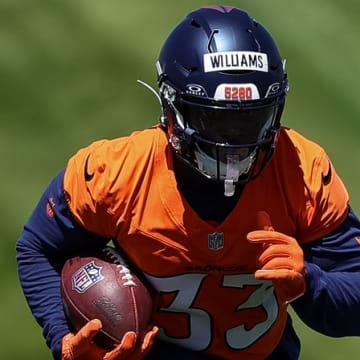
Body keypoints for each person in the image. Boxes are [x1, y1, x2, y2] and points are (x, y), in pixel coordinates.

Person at [16, 5, 360, 360]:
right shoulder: (116, 171)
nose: (234, 141)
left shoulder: (302, 168)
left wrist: (309, 283)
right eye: (214, 120)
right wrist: (64, 340)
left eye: (251, 120)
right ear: (171, 111)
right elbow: (39, 249)